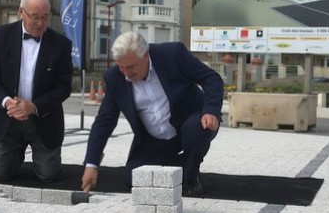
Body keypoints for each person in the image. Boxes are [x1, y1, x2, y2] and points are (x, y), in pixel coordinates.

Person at [81, 31, 224, 196]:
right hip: (154, 140)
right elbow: (104, 122)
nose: (126, 73)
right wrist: (91, 164)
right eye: (121, 67)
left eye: (131, 67)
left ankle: (190, 178)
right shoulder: (114, 78)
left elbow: (211, 79)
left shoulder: (172, 54)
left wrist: (210, 111)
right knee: (132, 177)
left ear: (146, 55)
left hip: (190, 121)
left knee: (196, 129)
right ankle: (182, 167)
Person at [0, 0, 73, 182]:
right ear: (21, 12)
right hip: (7, 117)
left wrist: (34, 106)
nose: (40, 23)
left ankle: (36, 154)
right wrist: (7, 102)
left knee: (49, 175)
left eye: (45, 18)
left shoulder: (61, 44)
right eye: (35, 17)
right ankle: (14, 152)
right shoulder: (1, 36)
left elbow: (64, 87)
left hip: (43, 119)